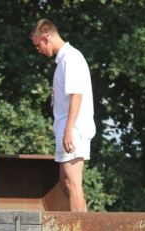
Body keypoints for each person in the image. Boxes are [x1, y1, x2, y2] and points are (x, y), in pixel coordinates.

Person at [31, 19, 95, 212]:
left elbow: (77, 95)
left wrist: (68, 130)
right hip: (66, 128)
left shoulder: (71, 58)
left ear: (46, 37)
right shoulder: (63, 60)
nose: (38, 50)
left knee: (73, 182)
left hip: (73, 129)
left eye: (38, 45)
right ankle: (84, 224)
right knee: (65, 182)